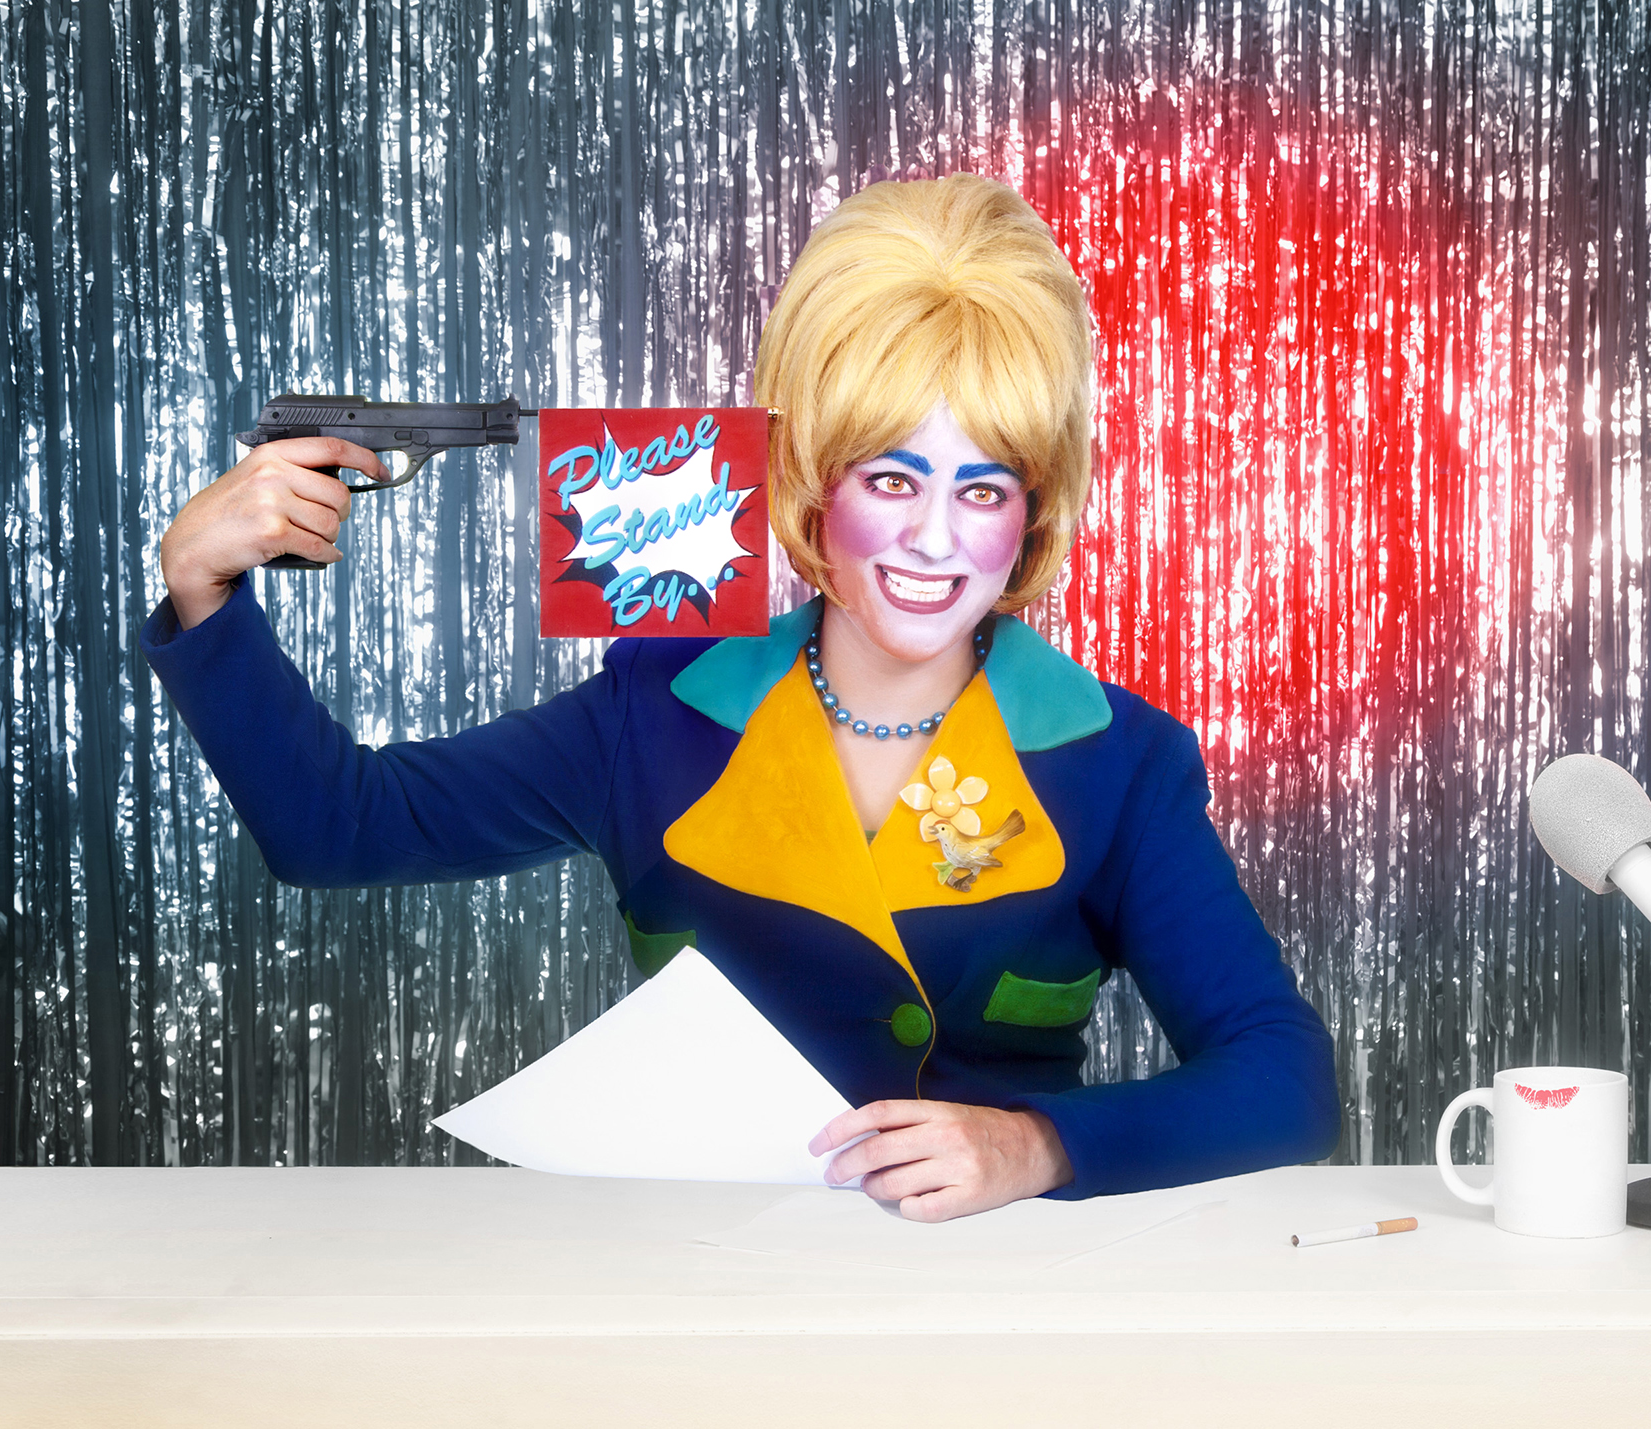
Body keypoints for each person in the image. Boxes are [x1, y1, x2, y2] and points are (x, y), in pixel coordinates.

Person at [145, 174, 1339, 1222]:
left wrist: (1037, 1145)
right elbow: (334, 825)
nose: (934, 539)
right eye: (891, 479)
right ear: (814, 483)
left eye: (982, 490)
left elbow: (1283, 1081)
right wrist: (206, 592)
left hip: (989, 1302)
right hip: (698, 1290)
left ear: (1029, 515)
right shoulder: (653, 710)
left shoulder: (1122, 761)